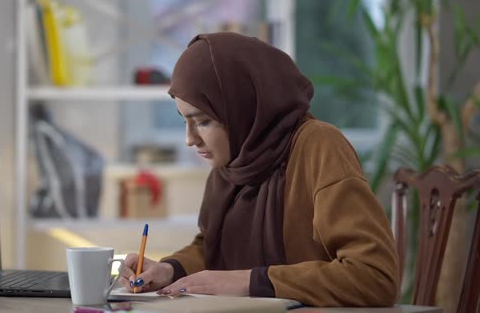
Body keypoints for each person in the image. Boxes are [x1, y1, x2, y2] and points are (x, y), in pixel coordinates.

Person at [119, 32, 399, 307]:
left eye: (203, 121)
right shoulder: (233, 161)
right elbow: (215, 247)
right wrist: (170, 270)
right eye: (185, 121)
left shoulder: (319, 147)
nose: (190, 139)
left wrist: (252, 281)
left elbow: (374, 276)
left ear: (242, 107)